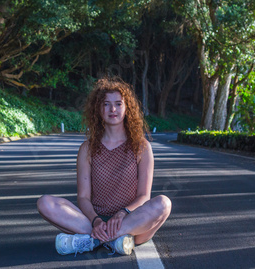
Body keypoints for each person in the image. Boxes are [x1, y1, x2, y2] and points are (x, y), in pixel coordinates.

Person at [37, 77, 172, 256]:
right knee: (45, 202)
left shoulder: (142, 146)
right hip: (93, 221)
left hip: (131, 220)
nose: (113, 109)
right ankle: (113, 240)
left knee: (164, 203)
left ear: (127, 108)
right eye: (106, 104)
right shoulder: (87, 148)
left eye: (118, 103)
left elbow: (143, 196)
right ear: (98, 109)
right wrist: (96, 221)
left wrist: (122, 214)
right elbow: (83, 197)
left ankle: (93, 241)